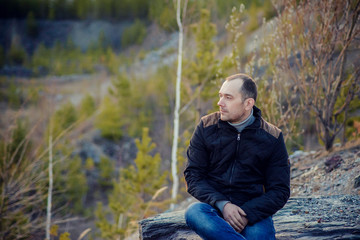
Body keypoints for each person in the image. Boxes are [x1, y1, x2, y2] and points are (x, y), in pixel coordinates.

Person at [184, 73, 290, 240]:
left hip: (253, 211)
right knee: (194, 212)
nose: (220, 103)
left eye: (228, 97)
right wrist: (224, 205)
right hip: (214, 209)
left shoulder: (272, 137)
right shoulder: (206, 127)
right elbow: (193, 175)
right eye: (220, 96)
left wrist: (246, 213)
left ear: (248, 103)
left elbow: (279, 190)